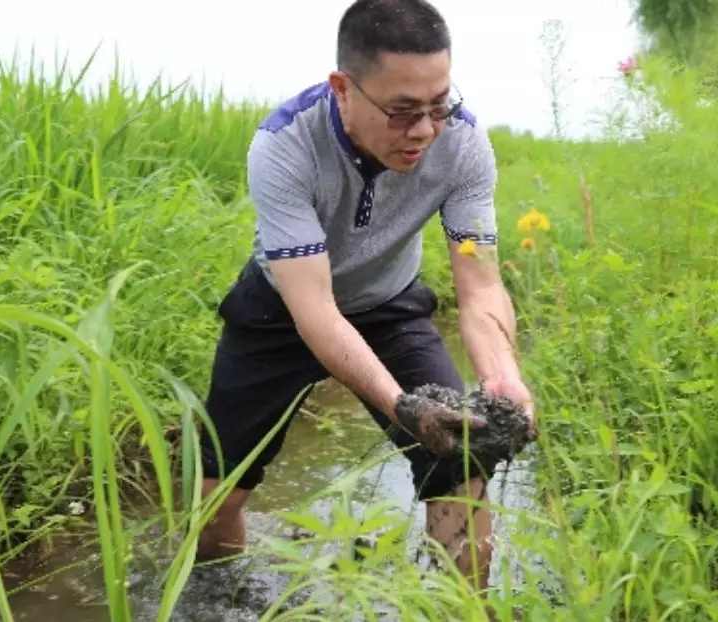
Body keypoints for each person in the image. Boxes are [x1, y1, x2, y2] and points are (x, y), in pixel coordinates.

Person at [196, 0, 536, 594]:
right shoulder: (284, 145)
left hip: (389, 304)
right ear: (343, 88)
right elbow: (316, 310)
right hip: (284, 311)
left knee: (461, 461)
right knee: (216, 493)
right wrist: (403, 405)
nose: (426, 131)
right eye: (403, 112)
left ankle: (463, 607)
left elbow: (478, 281)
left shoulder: (464, 144)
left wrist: (503, 375)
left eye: (438, 104)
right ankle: (215, 594)